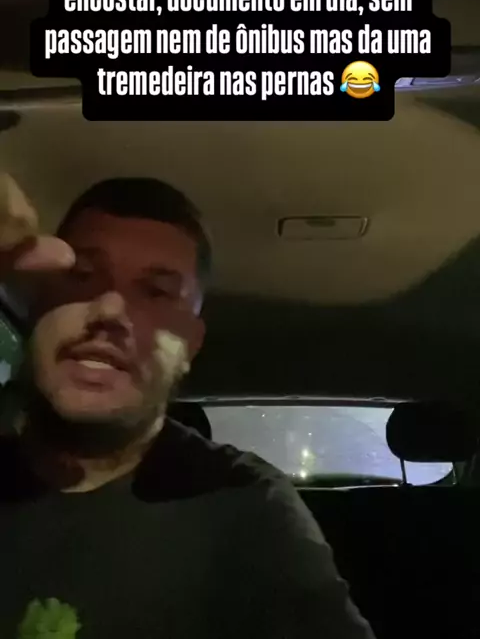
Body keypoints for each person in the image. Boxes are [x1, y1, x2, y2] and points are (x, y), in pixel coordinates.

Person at [0, 173, 376, 639]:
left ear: (190, 346)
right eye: (82, 276)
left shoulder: (244, 505)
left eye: (156, 291)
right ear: (36, 303)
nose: (110, 310)